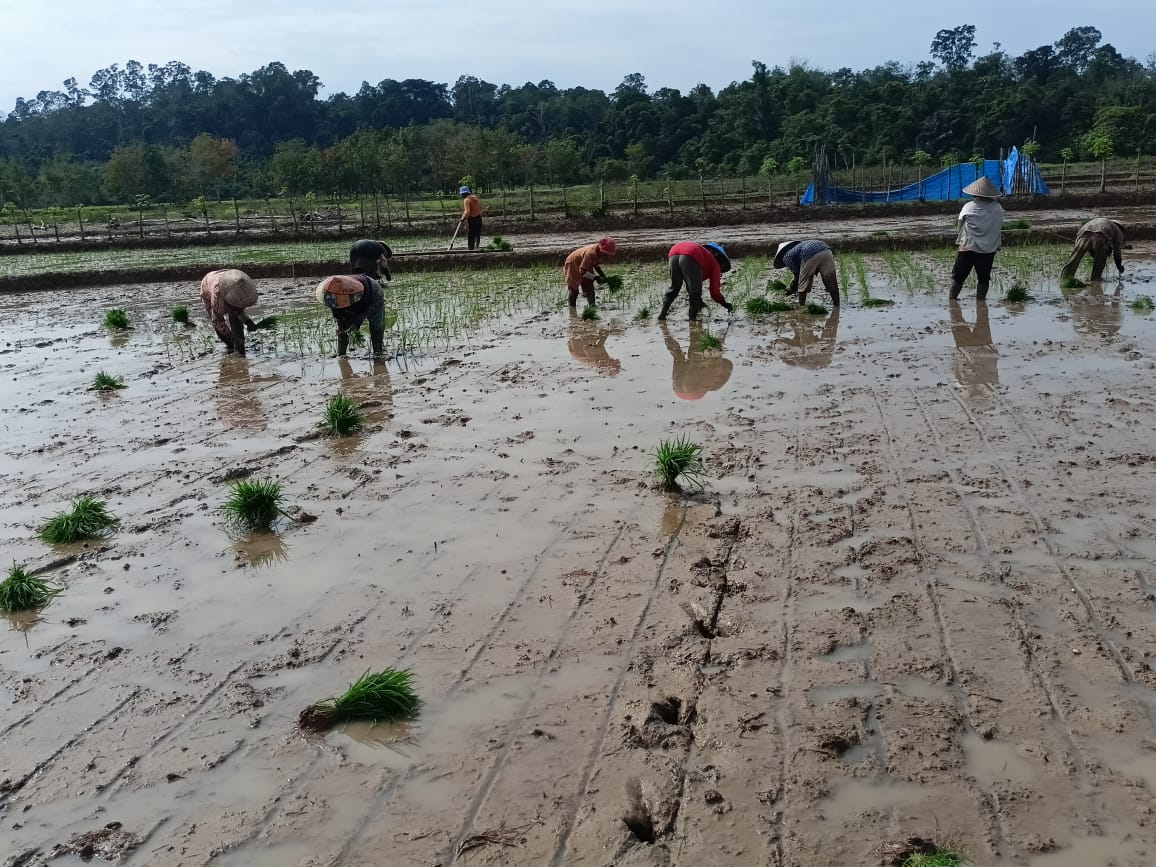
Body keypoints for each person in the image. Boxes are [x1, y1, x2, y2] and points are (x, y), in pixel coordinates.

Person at [316, 240, 393, 357]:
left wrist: (357, 322)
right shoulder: (331, 295)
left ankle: (378, 352)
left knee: (376, 323)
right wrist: (342, 325)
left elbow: (366, 305)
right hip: (358, 283)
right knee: (342, 328)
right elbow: (337, 312)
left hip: (373, 290)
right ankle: (341, 355)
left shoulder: (362, 293)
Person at [950, 176, 1005, 300]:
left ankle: (952, 301)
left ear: (974, 194)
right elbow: (998, 225)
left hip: (968, 247)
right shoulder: (998, 208)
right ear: (990, 195)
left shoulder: (969, 207)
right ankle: (981, 302)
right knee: (984, 279)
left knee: (958, 277)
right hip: (988, 249)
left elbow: (959, 226)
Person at [659, 242, 734, 321]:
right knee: (695, 292)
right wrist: (725, 304)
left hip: (674, 251)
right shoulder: (715, 264)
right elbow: (714, 291)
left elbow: (690, 283)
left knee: (675, 287)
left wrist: (699, 301)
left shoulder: (705, 255)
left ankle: (662, 315)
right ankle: (692, 320)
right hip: (691, 254)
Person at [661, 321, 733, 399]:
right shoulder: (715, 380)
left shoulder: (716, 374)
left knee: (695, 350)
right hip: (679, 391)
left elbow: (725, 362)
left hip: (694, 390)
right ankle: (664, 329)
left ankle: (694, 323)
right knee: (678, 356)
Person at [200, 268, 259, 356]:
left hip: (228, 285)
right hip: (208, 287)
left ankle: (240, 348)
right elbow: (218, 320)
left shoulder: (239, 284)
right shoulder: (217, 296)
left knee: (236, 321)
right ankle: (230, 345)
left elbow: (238, 311)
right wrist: (232, 338)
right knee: (217, 323)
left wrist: (247, 321)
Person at [773, 240, 841, 308]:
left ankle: (802, 307)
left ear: (781, 254)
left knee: (802, 283)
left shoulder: (786, 256)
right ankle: (837, 305)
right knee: (831, 281)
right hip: (827, 250)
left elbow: (798, 276)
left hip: (810, 253)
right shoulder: (798, 248)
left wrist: (791, 289)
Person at [1061, 218, 1125, 281]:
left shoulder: (1104, 222)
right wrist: (1119, 266)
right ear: (1120, 227)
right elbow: (1117, 253)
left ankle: (1064, 278)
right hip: (1101, 236)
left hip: (1083, 234)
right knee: (1099, 264)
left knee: (1074, 259)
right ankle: (1095, 281)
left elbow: (1080, 239)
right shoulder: (1118, 230)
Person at [564, 237, 617, 307]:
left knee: (589, 286)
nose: (607, 256)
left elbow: (595, 264)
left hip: (584, 264)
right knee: (574, 289)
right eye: (606, 254)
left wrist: (603, 275)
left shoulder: (599, 252)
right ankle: (572, 308)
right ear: (601, 249)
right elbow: (582, 271)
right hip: (573, 263)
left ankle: (592, 307)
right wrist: (596, 278)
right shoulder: (591, 254)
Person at [458, 186, 484, 251]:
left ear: (465, 193)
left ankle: (471, 249)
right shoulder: (475, 198)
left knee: (471, 235)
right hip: (479, 219)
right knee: (477, 234)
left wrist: (463, 218)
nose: (461, 195)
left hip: (472, 220)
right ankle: (477, 247)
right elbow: (479, 209)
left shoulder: (466, 200)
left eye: (461, 193)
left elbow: (467, 211)